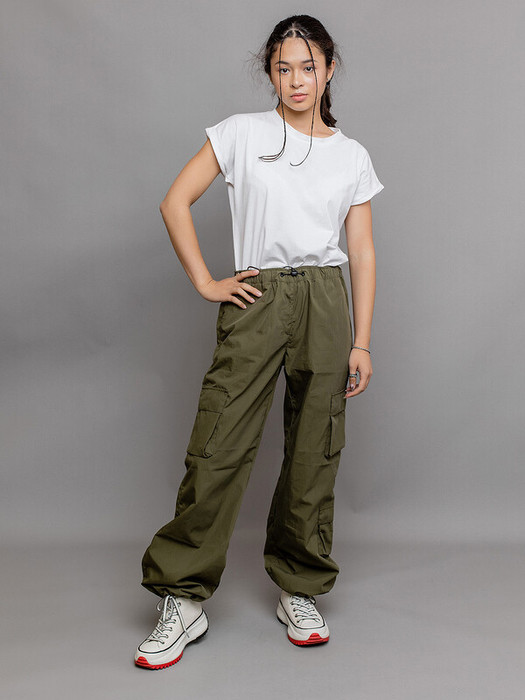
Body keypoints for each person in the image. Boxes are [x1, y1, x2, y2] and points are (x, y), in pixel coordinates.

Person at [134, 14, 384, 670]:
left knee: (315, 449)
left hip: (326, 300)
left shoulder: (351, 155)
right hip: (257, 297)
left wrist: (361, 340)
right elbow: (174, 202)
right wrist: (205, 281)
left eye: (308, 67)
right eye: (283, 68)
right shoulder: (241, 133)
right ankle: (182, 597)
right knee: (218, 444)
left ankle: (300, 587)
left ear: (328, 68)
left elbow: (360, 250)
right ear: (269, 73)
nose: (296, 80)